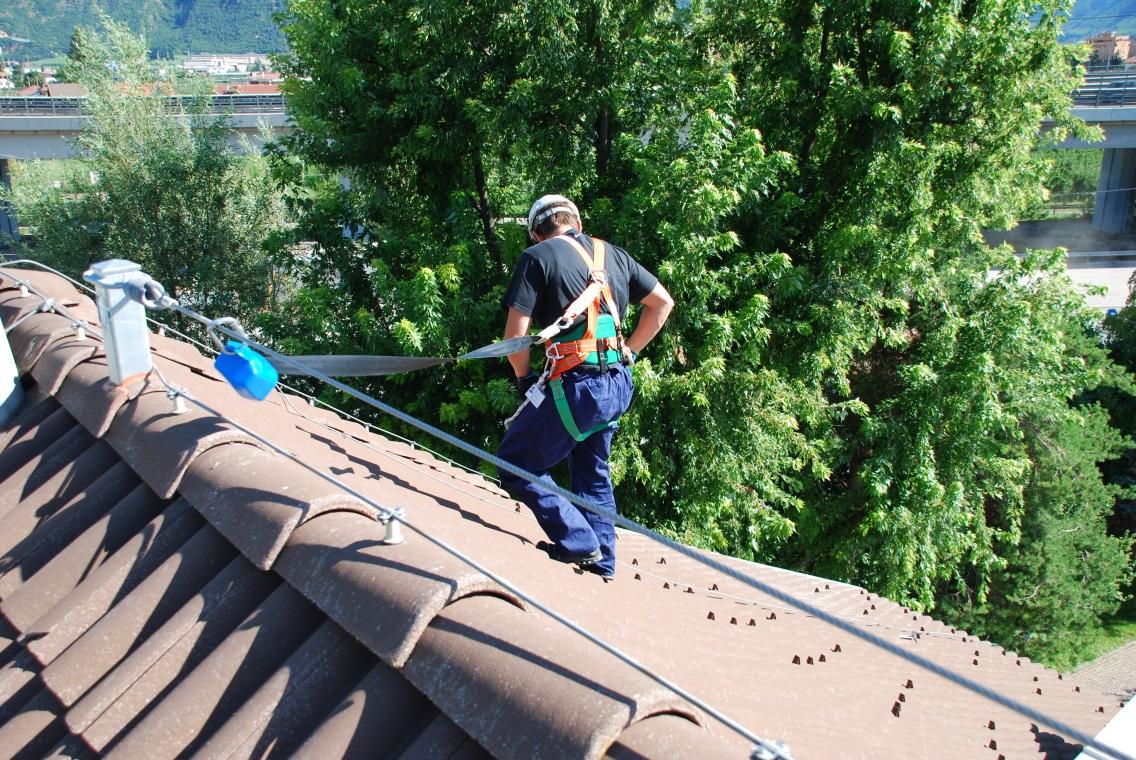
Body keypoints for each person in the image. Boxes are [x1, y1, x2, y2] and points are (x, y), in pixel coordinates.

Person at [497, 194, 674, 579]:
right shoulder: (615, 255)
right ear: (575, 220)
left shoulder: (537, 258)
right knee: (592, 469)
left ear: (534, 233)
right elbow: (662, 304)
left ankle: (580, 542)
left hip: (577, 387)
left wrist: (525, 379)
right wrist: (630, 351)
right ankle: (603, 559)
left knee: (515, 463)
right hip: (617, 383)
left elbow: (515, 339)